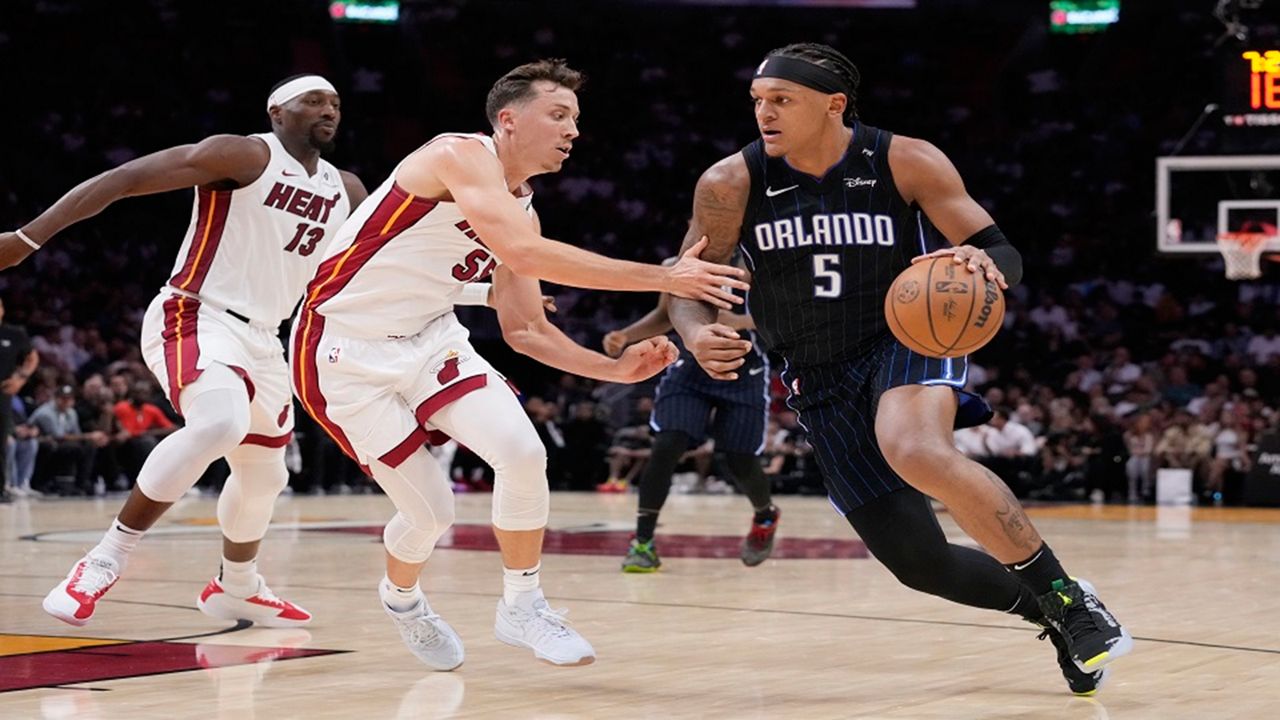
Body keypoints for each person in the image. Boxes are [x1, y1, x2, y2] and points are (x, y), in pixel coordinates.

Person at [667, 43, 1131, 695]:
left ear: (833, 105)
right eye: (757, 101)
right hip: (815, 375)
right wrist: (693, 334)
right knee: (919, 563)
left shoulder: (904, 160)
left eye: (781, 100)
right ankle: (1056, 611)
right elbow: (687, 287)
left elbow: (999, 249)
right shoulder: (729, 183)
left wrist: (985, 268)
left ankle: (1068, 598)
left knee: (914, 448)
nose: (763, 113)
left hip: (906, 336)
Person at [291, 58, 744, 670]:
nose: (572, 130)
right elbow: (522, 251)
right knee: (430, 515)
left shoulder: (523, 209)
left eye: (576, 119)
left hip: (431, 339)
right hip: (341, 347)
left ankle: (522, 605)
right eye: (558, 115)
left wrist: (612, 370)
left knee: (525, 453)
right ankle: (402, 601)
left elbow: (526, 328)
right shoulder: (456, 155)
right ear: (508, 120)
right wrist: (664, 276)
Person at [0, 74, 368, 628]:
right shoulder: (243, 155)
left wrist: (487, 291)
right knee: (219, 422)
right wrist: (27, 238)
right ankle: (104, 558)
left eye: (335, 103)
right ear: (276, 111)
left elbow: (373, 266)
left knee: (266, 477)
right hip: (199, 312)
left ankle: (237, 585)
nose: (328, 110)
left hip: (268, 338)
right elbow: (125, 178)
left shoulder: (348, 190)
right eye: (313, 100)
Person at [601, 256, 779, 571]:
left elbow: (786, 313)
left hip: (742, 366)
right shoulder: (677, 262)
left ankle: (765, 515)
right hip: (690, 367)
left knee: (739, 459)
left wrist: (742, 322)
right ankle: (642, 543)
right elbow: (663, 315)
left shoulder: (760, 259)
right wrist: (627, 335)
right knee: (667, 444)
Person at [0, 296, 38, 503]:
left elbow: (32, 357)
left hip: (2, 393)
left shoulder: (14, 334)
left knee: (1, 442)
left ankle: (1, 489)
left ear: (2, 309)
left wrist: (20, 378)